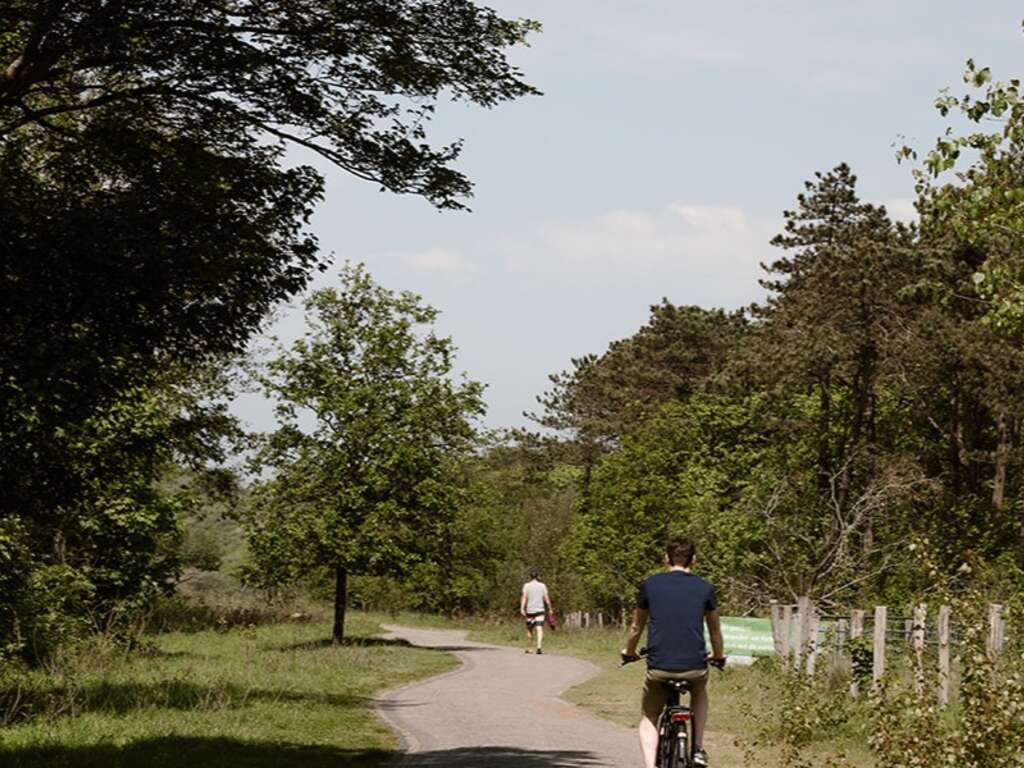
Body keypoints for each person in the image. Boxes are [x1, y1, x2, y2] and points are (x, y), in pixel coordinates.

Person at [621, 536, 725, 768]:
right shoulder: (705, 588)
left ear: (666, 558)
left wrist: (629, 651)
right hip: (695, 667)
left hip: (659, 667)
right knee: (700, 692)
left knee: (649, 716)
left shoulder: (650, 585)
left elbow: (636, 626)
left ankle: (650, 766)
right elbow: (715, 630)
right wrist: (718, 656)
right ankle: (697, 748)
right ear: (693, 560)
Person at [520, 569, 553, 654]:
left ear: (530, 577)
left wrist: (522, 608)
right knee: (539, 628)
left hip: (530, 611)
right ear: (538, 576)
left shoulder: (526, 586)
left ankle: (530, 648)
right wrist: (550, 608)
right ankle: (539, 647)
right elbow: (546, 598)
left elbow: (524, 597)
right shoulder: (542, 586)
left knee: (529, 629)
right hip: (540, 610)